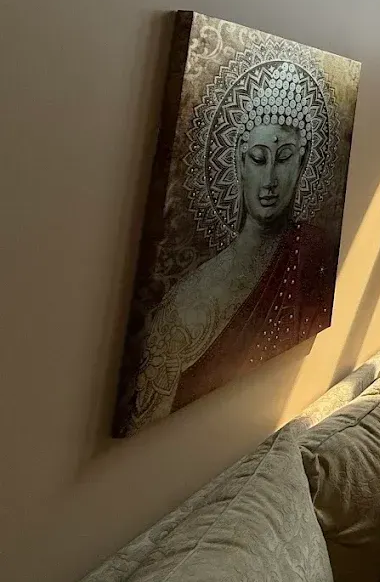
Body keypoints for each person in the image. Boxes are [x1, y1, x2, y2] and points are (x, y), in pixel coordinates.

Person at [127, 63, 334, 431]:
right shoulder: (190, 303)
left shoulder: (314, 254)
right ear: (239, 161)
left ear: (302, 162)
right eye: (258, 159)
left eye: (283, 158)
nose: (270, 179)